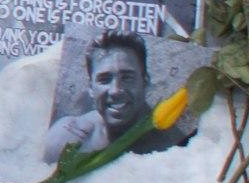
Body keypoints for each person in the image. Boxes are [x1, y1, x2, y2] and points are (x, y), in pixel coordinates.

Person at [41, 35, 178, 163]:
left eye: (127, 78)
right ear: (91, 87)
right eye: (105, 79)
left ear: (145, 81)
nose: (115, 90)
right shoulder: (68, 136)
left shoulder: (170, 146)